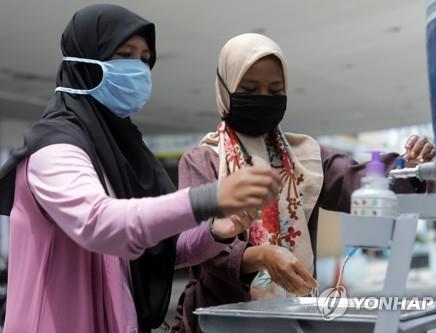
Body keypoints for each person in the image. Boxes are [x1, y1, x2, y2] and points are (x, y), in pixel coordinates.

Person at [0, 9, 281, 333]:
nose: (139, 68)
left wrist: (217, 230)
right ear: (83, 61)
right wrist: (209, 198)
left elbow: (160, 247)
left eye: (145, 57)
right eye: (125, 54)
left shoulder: (123, 151)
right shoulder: (55, 149)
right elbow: (102, 225)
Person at [172, 33, 435, 333]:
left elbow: (359, 179)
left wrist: (407, 168)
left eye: (275, 90)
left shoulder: (304, 157)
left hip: (291, 318)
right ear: (225, 89)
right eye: (249, 89)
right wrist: (262, 256)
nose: (263, 98)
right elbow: (197, 244)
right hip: (220, 321)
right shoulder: (203, 160)